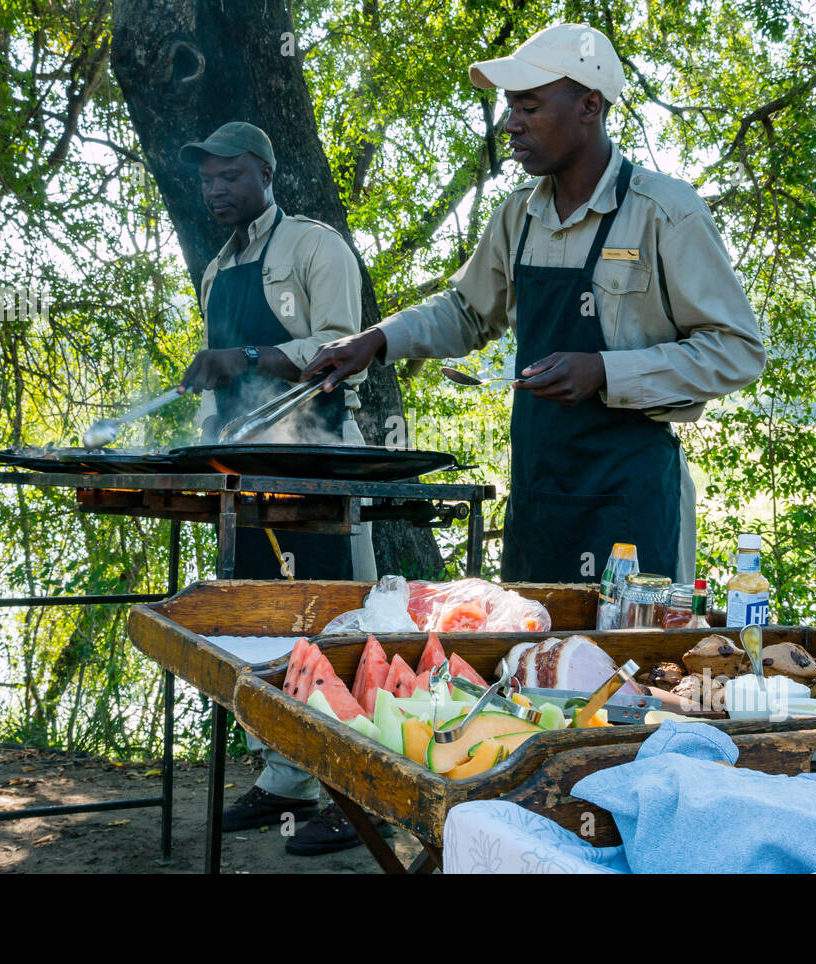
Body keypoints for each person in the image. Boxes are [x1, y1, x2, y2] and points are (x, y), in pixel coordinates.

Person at [304, 24, 765, 584]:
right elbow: (467, 312)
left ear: (589, 105)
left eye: (528, 106)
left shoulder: (663, 212)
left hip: (632, 502)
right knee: (531, 659)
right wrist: (376, 340)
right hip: (540, 499)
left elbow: (737, 350)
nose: (511, 124)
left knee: (634, 670)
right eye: (509, 108)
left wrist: (604, 371)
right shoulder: (516, 214)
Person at [177, 121, 381, 855]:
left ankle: (358, 788)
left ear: (265, 173)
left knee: (340, 625)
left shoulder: (315, 246)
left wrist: (252, 354)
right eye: (207, 180)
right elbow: (222, 384)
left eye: (229, 176)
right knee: (259, 628)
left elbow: (343, 353)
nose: (216, 190)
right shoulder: (216, 268)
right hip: (248, 473)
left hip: (321, 465)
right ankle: (285, 778)